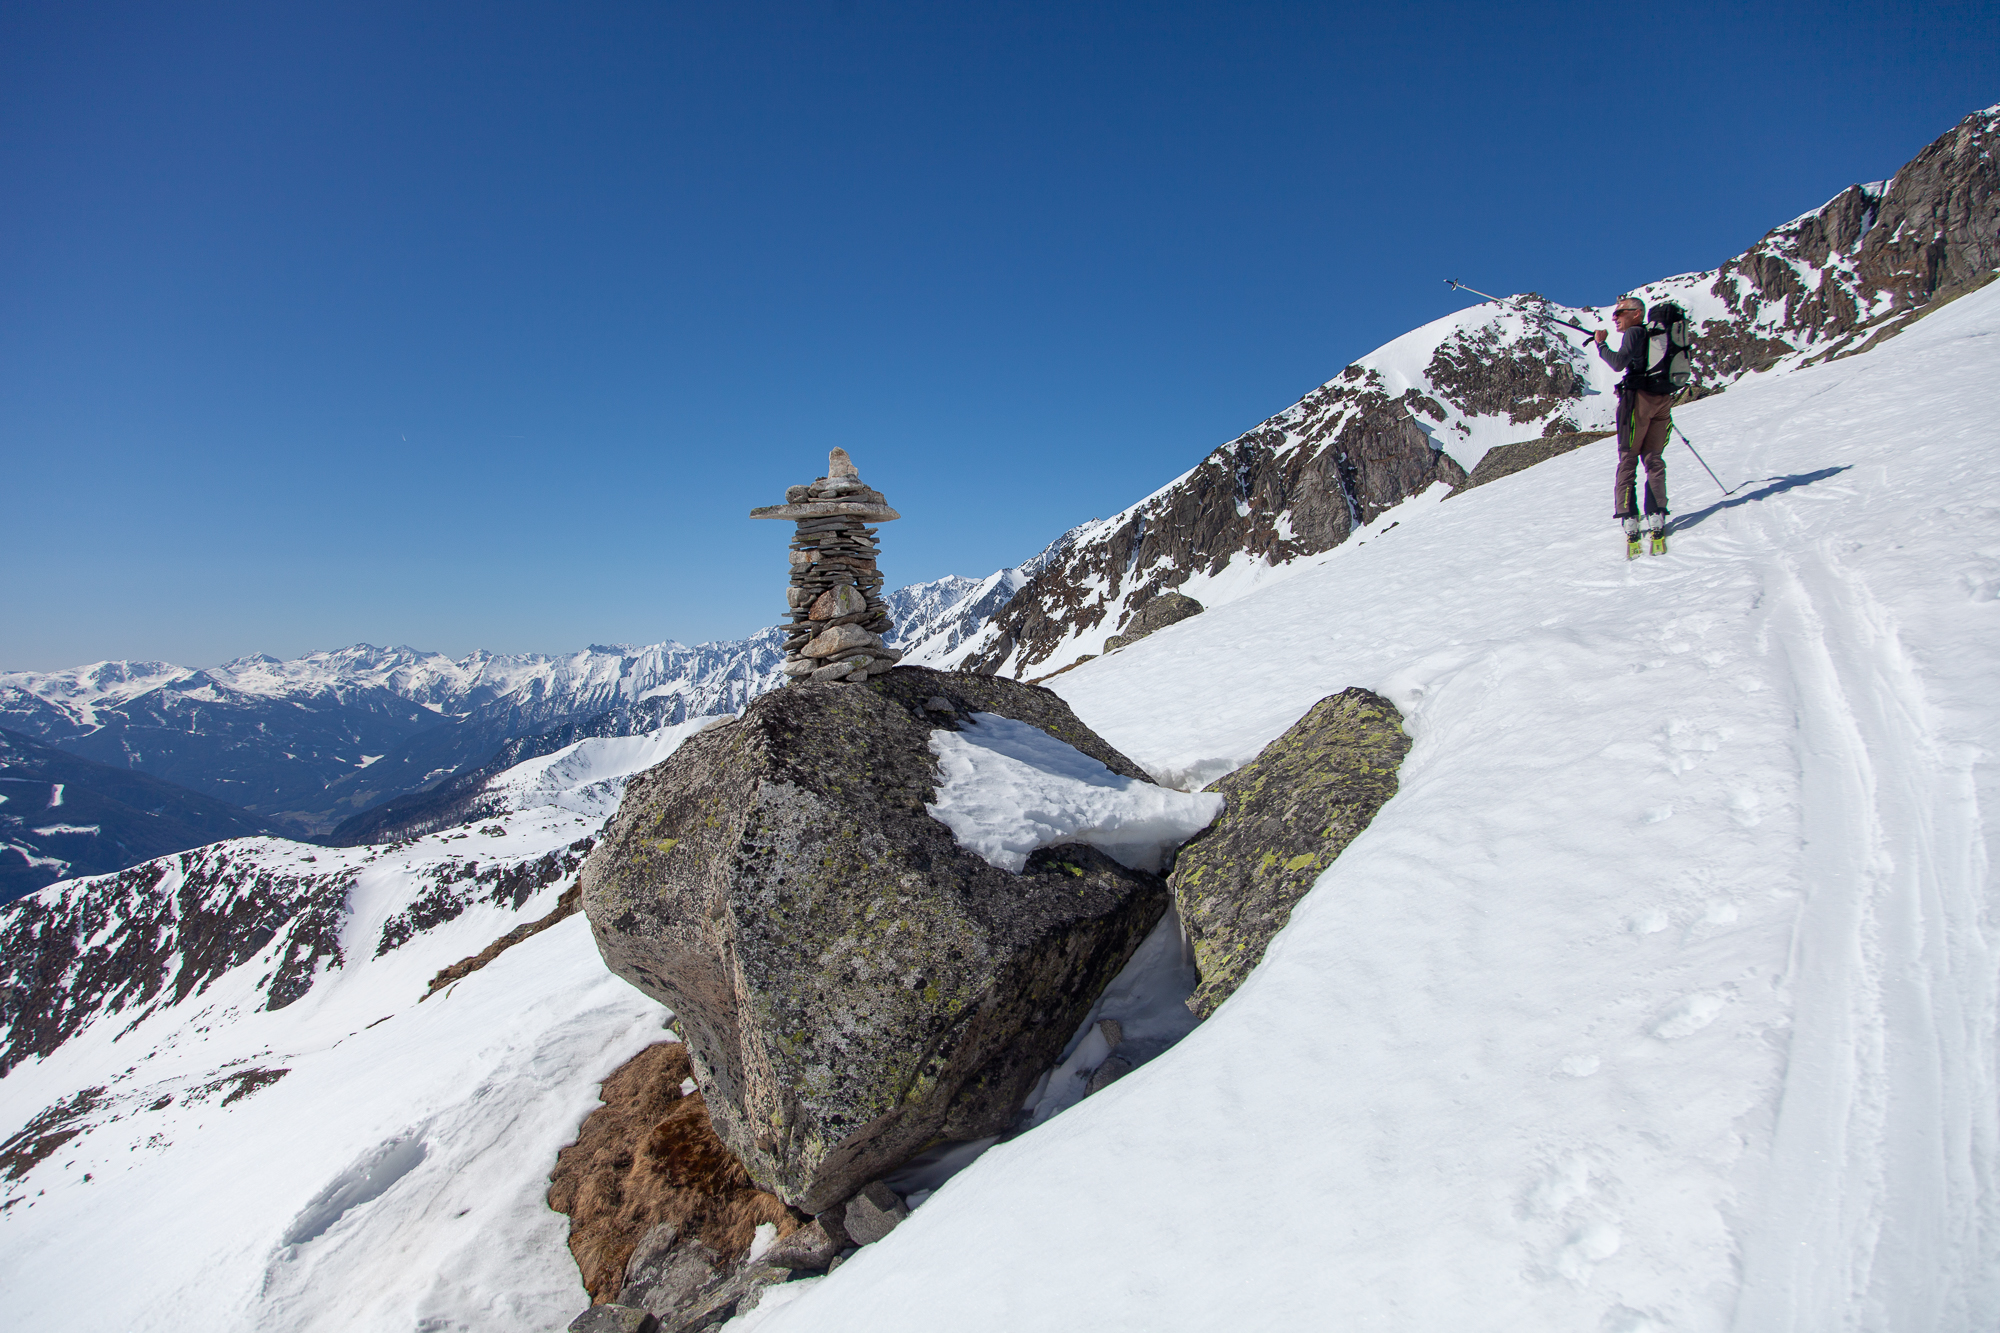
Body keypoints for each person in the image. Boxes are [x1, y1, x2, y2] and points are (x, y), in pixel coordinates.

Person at [1594, 296, 1671, 544]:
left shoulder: (1635, 332)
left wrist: (1601, 345)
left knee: (1628, 458)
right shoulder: (1657, 335)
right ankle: (1657, 515)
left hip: (1637, 402)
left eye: (1620, 313)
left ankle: (1629, 517)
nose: (1615, 317)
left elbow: (1618, 364)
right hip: (1662, 399)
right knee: (1654, 458)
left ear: (1637, 313)